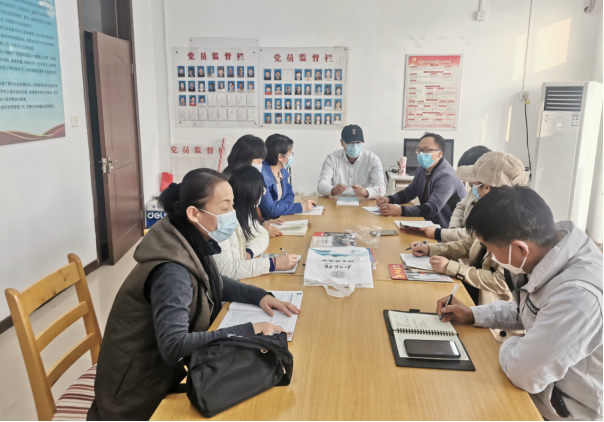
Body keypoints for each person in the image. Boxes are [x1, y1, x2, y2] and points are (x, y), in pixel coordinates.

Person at [88, 169, 300, 421]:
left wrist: (259, 295)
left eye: (232, 205)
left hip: (162, 374)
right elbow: (174, 345)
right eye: (225, 208)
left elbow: (213, 281)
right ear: (194, 213)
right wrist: (249, 330)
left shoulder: (188, 237)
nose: (232, 214)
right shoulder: (172, 271)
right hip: (134, 396)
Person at [436, 186, 602, 422]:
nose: (492, 257)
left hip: (565, 412)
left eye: (490, 250)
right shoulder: (544, 252)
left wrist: (517, 343)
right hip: (537, 393)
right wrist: (473, 314)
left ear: (520, 248)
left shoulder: (577, 296)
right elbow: (526, 310)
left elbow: (523, 373)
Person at [411, 152, 530, 306]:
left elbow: (501, 281)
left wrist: (452, 267)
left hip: (491, 306)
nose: (472, 189)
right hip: (472, 287)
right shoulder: (491, 212)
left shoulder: (515, 225)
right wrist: (431, 249)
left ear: (486, 187)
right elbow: (470, 244)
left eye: (474, 184)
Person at [215, 166, 298, 280]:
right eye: (259, 190)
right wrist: (273, 263)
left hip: (241, 278)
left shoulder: (245, 213)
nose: (261, 194)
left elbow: (262, 234)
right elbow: (226, 270)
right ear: (247, 193)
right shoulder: (220, 223)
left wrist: (249, 253)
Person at [376, 133, 466, 228]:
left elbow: (433, 208)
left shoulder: (447, 176)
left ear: (439, 154)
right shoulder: (422, 169)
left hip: (450, 228)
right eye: (419, 150)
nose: (421, 154)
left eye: (427, 150)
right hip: (430, 223)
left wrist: (400, 210)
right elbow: (410, 192)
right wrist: (389, 199)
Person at [420, 146, 492, 242]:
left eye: (472, 179)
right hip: (459, 241)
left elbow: (476, 235)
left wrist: (439, 233)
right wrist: (453, 229)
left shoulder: (498, 203)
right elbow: (461, 207)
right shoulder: (477, 188)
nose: (471, 184)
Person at [223, 135, 285, 238]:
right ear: (247, 158)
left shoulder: (249, 180)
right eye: (259, 161)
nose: (261, 165)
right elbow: (239, 225)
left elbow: (251, 215)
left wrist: (262, 224)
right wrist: (260, 230)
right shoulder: (233, 181)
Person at [318, 125, 386, 199]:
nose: (355, 146)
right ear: (342, 143)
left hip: (363, 202)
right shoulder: (332, 159)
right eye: (351, 142)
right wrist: (333, 190)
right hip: (337, 202)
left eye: (358, 142)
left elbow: (381, 189)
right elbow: (321, 186)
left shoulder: (373, 160)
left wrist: (366, 192)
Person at [259, 134, 315, 219]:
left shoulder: (282, 171)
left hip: (279, 217)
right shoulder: (261, 176)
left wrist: (279, 208)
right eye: (290, 153)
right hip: (265, 222)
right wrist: (302, 206)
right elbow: (271, 210)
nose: (291, 156)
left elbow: (290, 194)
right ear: (280, 157)